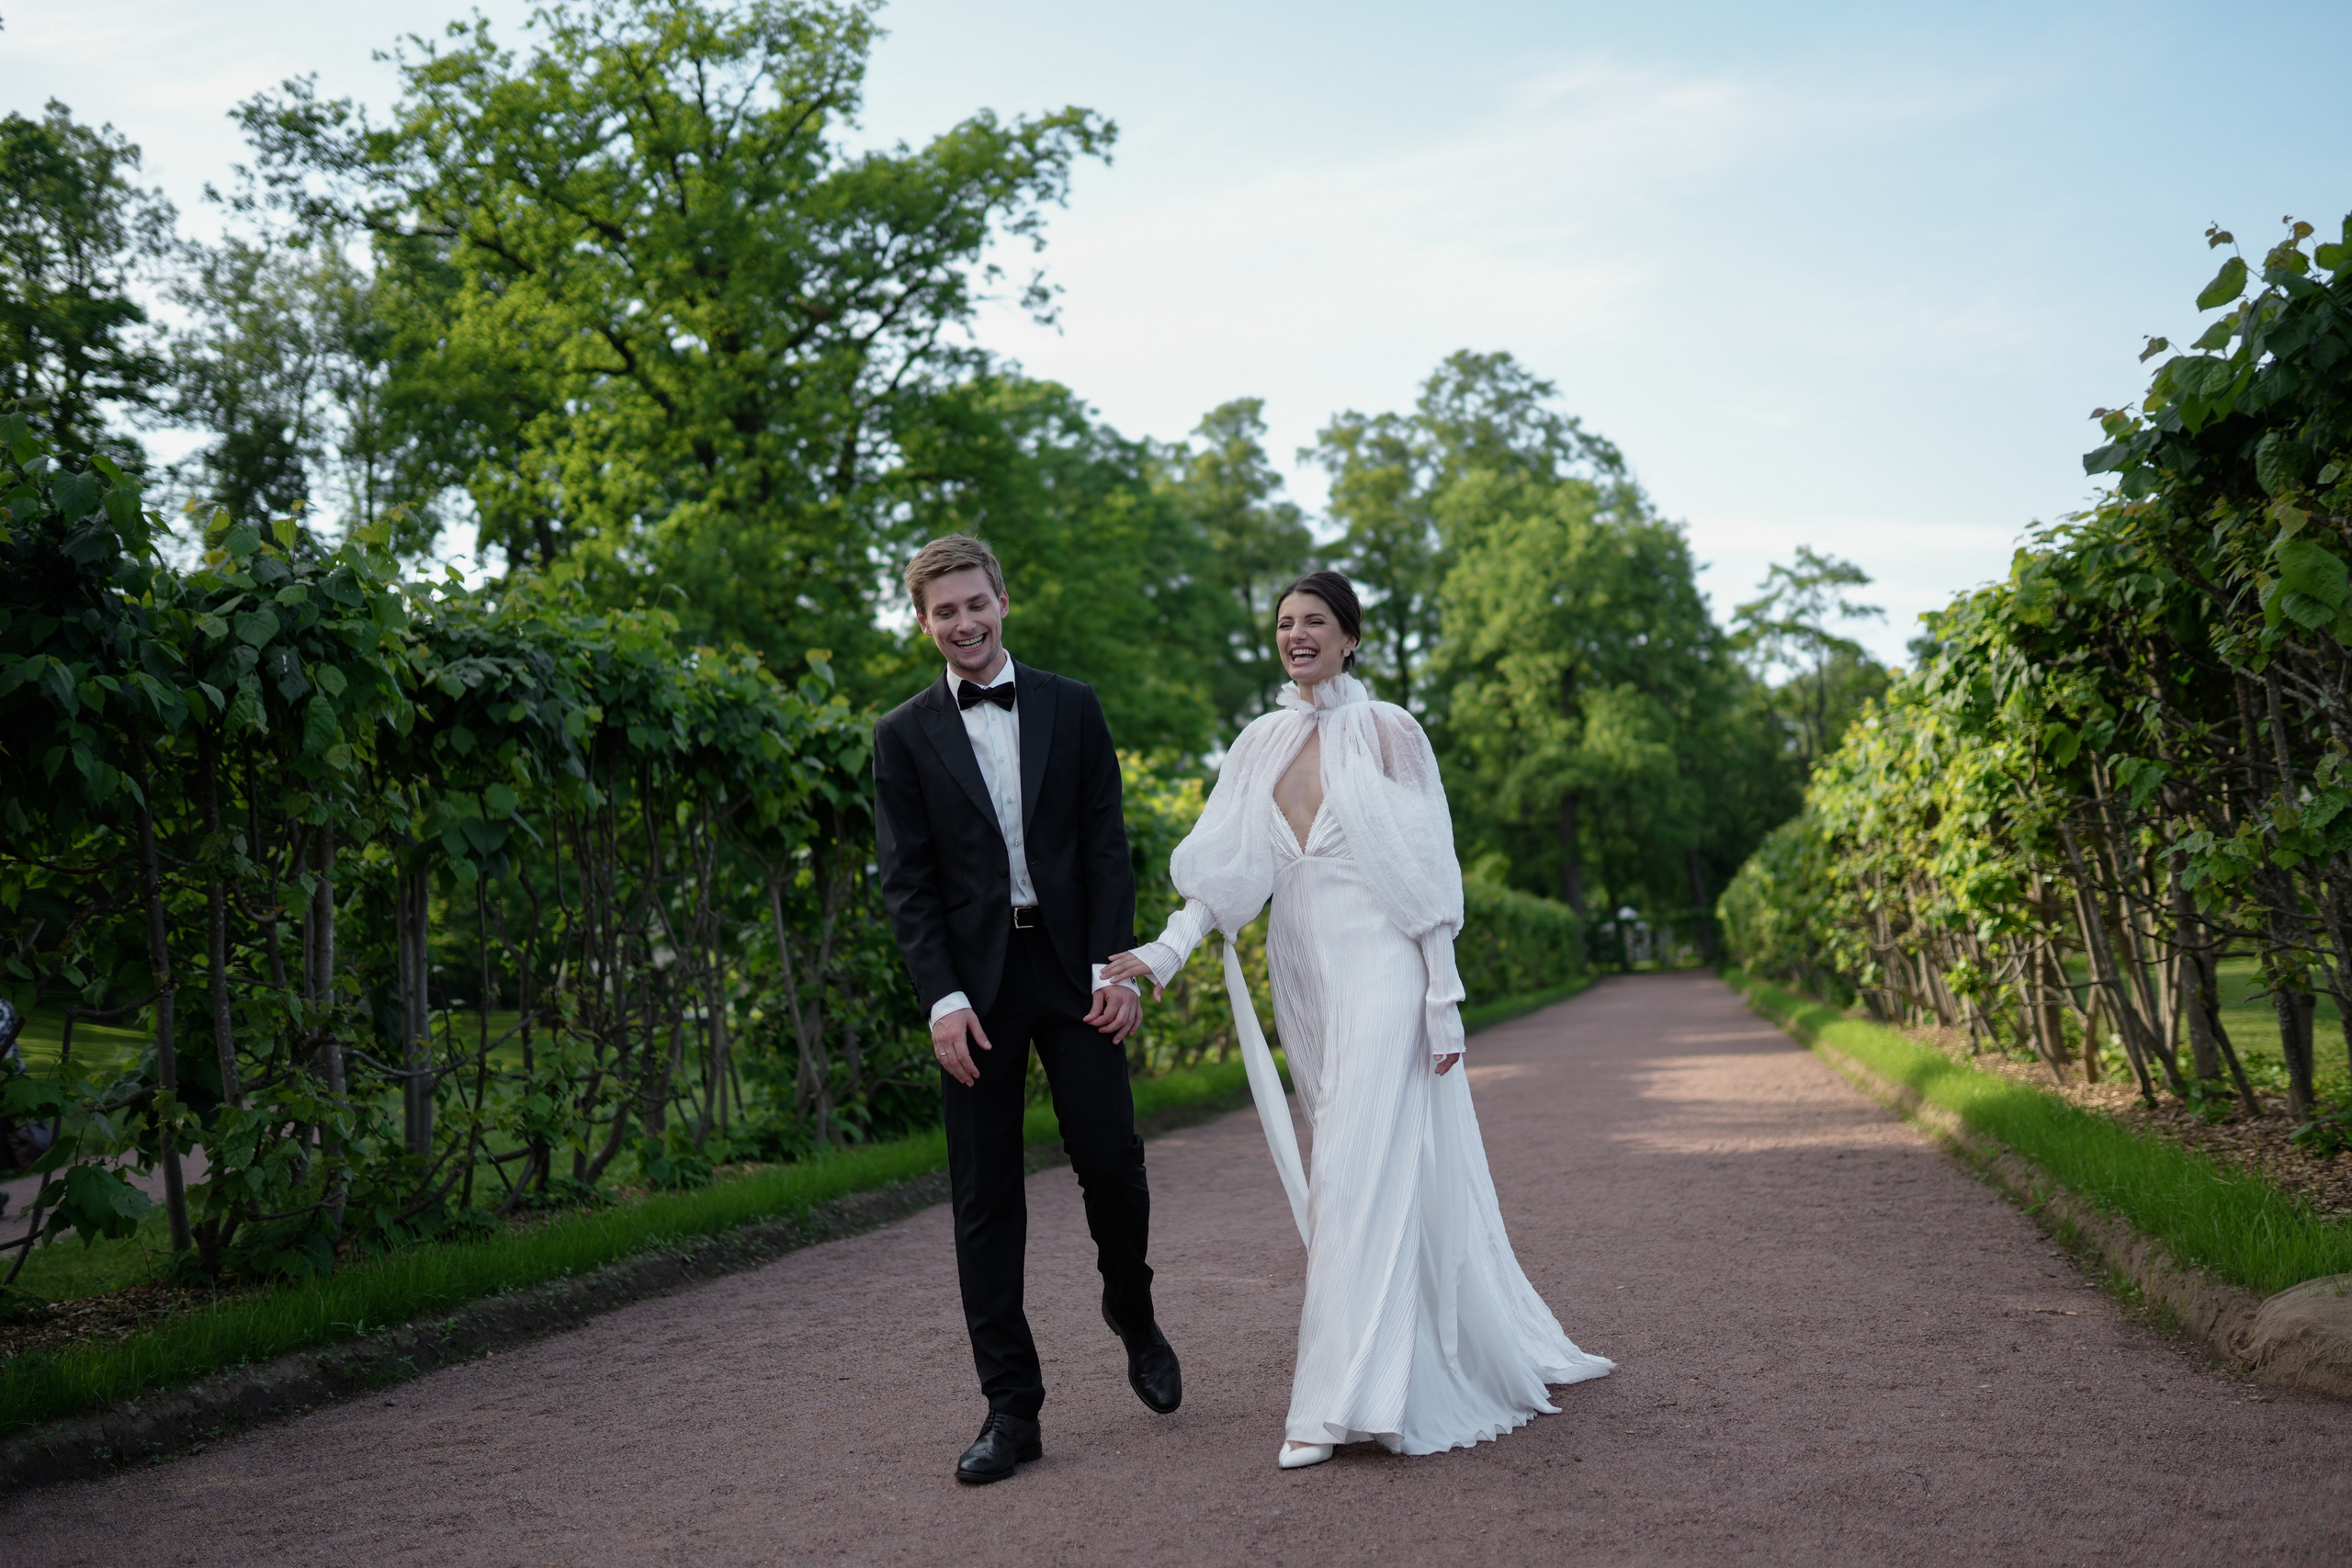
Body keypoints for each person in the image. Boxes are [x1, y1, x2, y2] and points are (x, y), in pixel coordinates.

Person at [1102, 570, 1612, 1470]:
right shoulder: (1257, 742)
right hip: (1304, 976)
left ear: (1349, 637)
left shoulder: (1387, 731)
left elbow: (1428, 869)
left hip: (1383, 967)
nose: (1296, 635)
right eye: (1284, 623)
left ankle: (1336, 1405)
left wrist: (1441, 999)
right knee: (1362, 1168)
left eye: (1314, 622)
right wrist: (1167, 952)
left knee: (1347, 1176)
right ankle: (1408, 1360)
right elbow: (1228, 878)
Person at [872, 535, 1182, 1486]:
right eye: (944, 611)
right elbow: (908, 884)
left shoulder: (1073, 706)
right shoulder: (900, 734)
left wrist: (1115, 970)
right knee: (983, 1200)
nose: (963, 623)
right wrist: (942, 1002)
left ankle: (1130, 1307)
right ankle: (1011, 1411)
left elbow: (1105, 845)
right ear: (922, 623)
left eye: (976, 604)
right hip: (975, 992)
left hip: (1071, 971)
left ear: (1003, 601)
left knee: (1111, 1163)